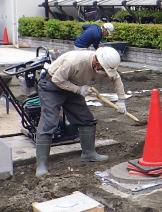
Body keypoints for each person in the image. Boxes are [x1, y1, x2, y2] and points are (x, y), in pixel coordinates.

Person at [34, 47, 127, 177]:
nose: (104, 73)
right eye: (103, 69)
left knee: (86, 119)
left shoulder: (103, 65)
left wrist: (121, 100)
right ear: (96, 61)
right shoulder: (75, 62)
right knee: (49, 122)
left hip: (73, 85)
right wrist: (78, 90)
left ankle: (89, 154)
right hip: (52, 86)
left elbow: (116, 79)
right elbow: (57, 80)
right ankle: (41, 165)